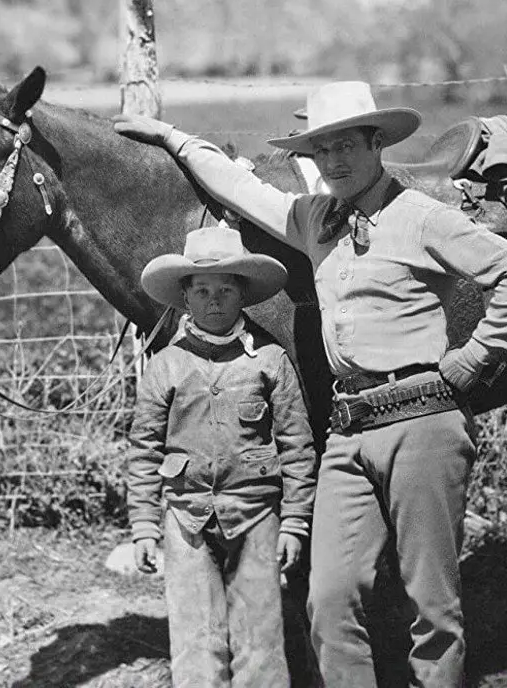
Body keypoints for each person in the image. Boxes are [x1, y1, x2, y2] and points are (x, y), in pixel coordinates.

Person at [115, 81, 507, 687]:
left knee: (432, 604)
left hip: (421, 421)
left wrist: (474, 359)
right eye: (321, 150)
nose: (334, 161)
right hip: (347, 431)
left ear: (377, 144)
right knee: (328, 597)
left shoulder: (420, 216)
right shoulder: (316, 220)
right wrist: (174, 138)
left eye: (346, 145)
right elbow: (241, 188)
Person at [128, 225, 317, 687]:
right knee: (195, 639)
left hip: (256, 515)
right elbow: (144, 449)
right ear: (185, 298)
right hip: (185, 517)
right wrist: (144, 525)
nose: (214, 301)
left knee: (260, 639)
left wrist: (294, 521)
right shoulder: (166, 365)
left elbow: (297, 446)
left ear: (243, 295)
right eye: (203, 291)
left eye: (226, 291)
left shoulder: (269, 361)